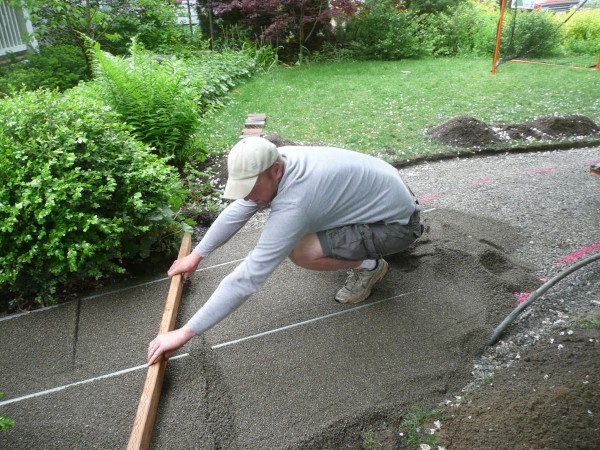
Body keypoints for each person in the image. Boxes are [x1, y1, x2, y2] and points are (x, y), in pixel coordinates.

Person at [147, 137, 422, 365]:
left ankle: (371, 267)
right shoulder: (279, 158)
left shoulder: (297, 201)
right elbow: (241, 208)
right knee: (297, 232)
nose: (247, 196)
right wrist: (197, 255)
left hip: (396, 226)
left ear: (275, 171)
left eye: (251, 188)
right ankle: (355, 250)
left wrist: (184, 333)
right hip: (384, 196)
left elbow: (249, 277)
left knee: (301, 252)